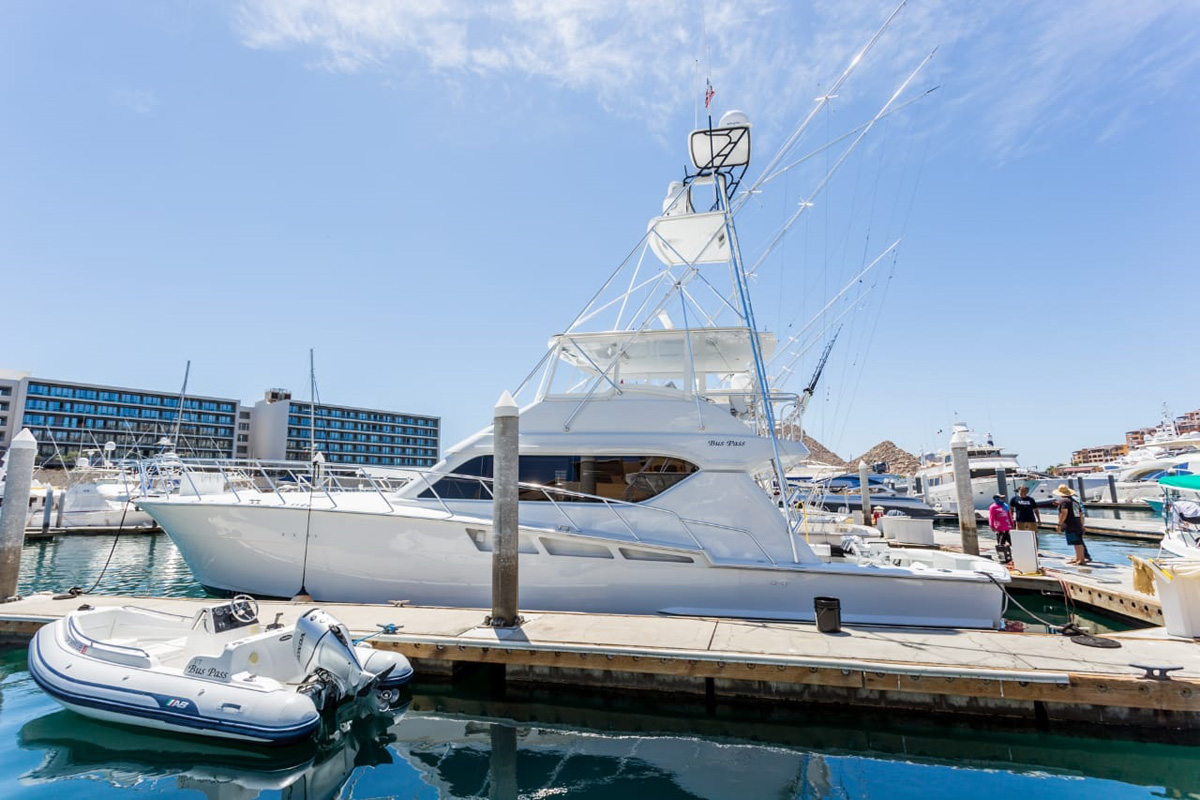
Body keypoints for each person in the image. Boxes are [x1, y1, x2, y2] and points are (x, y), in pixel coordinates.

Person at [1053, 484, 1088, 565]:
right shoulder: (1074, 501)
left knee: (1077, 542)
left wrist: (1059, 524)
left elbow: (1064, 512)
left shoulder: (1064, 501)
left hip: (1070, 524)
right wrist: (1082, 524)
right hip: (1077, 523)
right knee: (1077, 541)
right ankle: (1078, 557)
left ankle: (1081, 559)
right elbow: (1080, 513)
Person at [988, 494, 1014, 566]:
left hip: (1007, 526)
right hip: (999, 527)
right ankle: (1002, 558)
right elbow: (991, 517)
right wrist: (992, 526)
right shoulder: (993, 507)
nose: (1002, 499)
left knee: (1012, 542)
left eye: (1002, 498)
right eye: (1000, 498)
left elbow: (1009, 515)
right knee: (1001, 544)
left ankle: (1010, 556)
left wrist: (1012, 524)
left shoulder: (1005, 505)